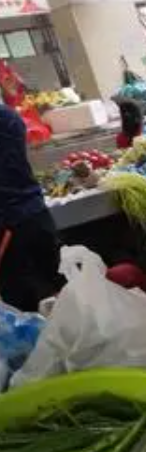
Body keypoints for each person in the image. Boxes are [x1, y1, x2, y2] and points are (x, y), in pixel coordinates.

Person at [0, 104, 62, 312]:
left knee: (24, 309)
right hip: (36, 215)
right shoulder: (9, 117)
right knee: (61, 292)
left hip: (8, 229)